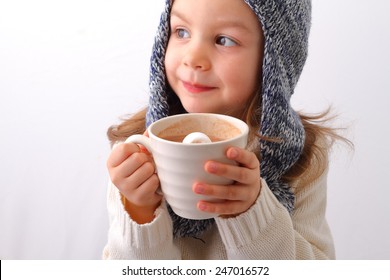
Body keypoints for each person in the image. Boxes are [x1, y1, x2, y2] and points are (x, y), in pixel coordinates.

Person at [103, 0, 347, 259]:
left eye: (224, 40)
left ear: (274, 62)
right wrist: (140, 210)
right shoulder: (138, 152)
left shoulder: (301, 155)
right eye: (181, 32)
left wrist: (251, 214)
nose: (193, 58)